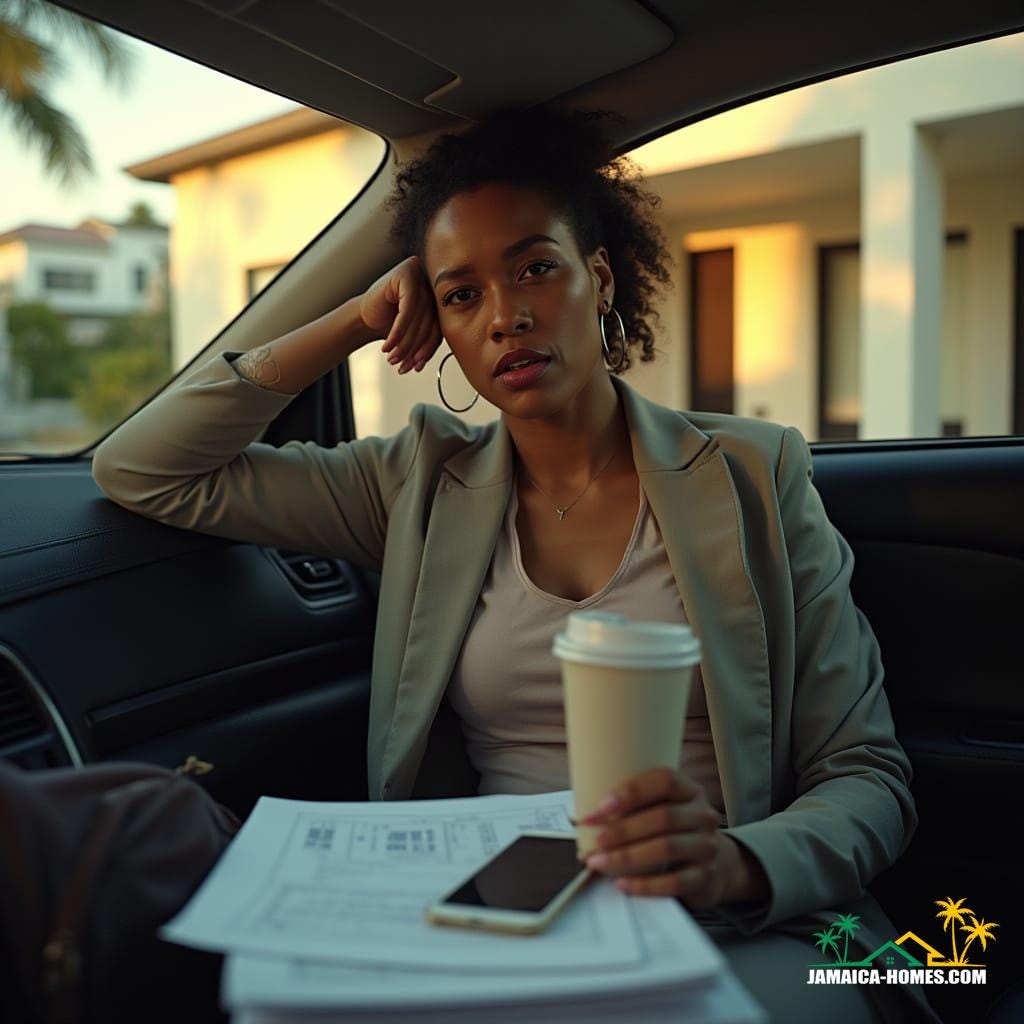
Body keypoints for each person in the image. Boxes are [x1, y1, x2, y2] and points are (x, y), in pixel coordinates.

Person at [92, 107, 943, 1024]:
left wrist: (733, 863)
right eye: (460, 295)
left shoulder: (752, 475)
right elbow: (145, 471)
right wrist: (348, 320)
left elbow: (867, 775)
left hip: (760, 921)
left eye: (537, 266)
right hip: (497, 922)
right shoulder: (415, 483)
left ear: (601, 276)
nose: (507, 315)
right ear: (436, 329)